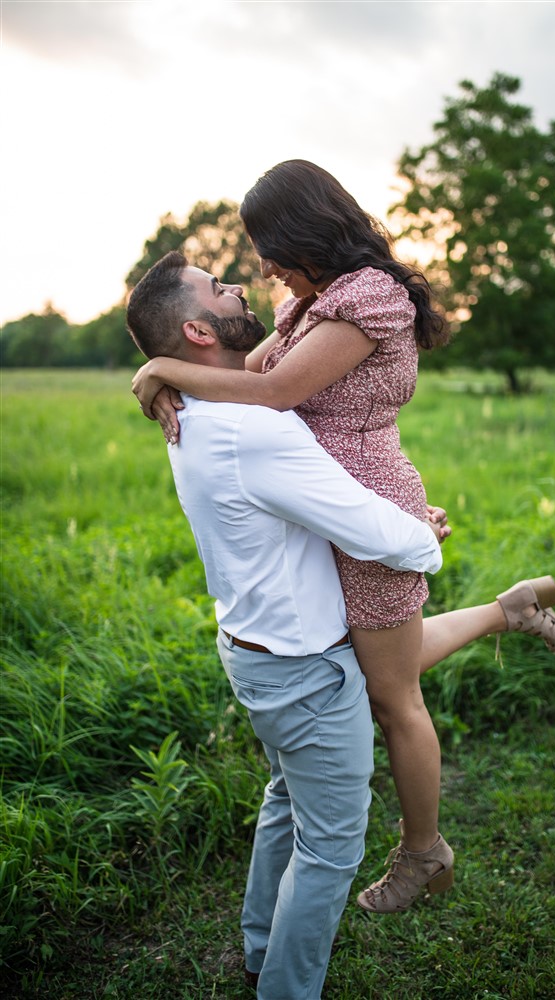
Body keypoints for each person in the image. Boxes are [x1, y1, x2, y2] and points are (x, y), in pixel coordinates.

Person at [132, 160, 555, 914]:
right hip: (327, 508)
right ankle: (510, 609)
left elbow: (273, 390)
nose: (262, 266)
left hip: (363, 514)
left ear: (303, 230)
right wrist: (166, 373)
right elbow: (250, 365)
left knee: (393, 695)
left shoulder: (370, 297)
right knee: (375, 663)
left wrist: (164, 365)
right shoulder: (312, 302)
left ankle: (424, 850)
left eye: (266, 245)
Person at [125, 250, 449, 999]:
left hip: (255, 650)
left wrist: (157, 373)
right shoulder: (253, 431)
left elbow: (321, 491)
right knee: (332, 846)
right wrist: (421, 534)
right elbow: (379, 536)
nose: (241, 283)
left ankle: (258, 945)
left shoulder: (205, 410)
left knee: (285, 802)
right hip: (305, 669)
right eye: (219, 286)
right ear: (201, 330)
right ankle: (286, 989)